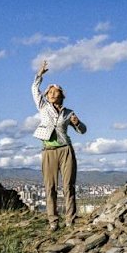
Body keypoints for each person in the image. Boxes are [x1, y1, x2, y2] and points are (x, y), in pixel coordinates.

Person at [32, 60, 87, 231]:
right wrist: (40, 74)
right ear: (47, 96)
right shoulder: (43, 107)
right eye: (50, 92)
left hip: (66, 150)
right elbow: (34, 90)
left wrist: (77, 123)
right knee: (50, 187)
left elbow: (83, 131)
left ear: (62, 95)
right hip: (48, 151)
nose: (53, 94)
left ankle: (70, 220)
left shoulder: (69, 112)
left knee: (68, 186)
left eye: (56, 92)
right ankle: (53, 222)